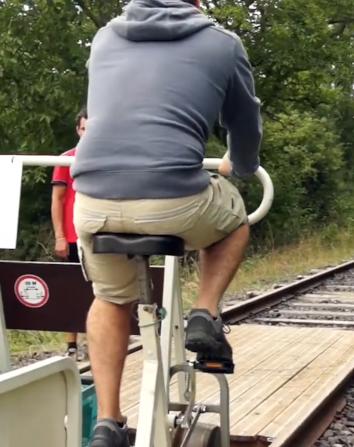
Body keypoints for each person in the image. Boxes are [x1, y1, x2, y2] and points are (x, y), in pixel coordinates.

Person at [69, 0, 262, 445]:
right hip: (173, 197)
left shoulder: (105, 37)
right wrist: (244, 166)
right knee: (235, 219)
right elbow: (244, 123)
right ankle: (205, 311)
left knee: (110, 300)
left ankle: (107, 422)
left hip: (93, 200)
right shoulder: (222, 43)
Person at [51, 108, 87, 361]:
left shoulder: (107, 158)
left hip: (97, 235)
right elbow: (57, 199)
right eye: (84, 129)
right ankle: (72, 345)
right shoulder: (66, 159)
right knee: (71, 291)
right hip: (72, 237)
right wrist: (59, 236)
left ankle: (99, 339)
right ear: (78, 130)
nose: (88, 133)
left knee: (101, 291)